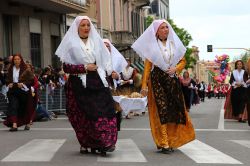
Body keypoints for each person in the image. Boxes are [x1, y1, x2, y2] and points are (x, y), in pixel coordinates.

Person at [55, 16, 117, 156]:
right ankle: (90, 143)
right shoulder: (71, 44)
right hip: (80, 84)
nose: (86, 28)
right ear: (77, 27)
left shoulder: (96, 42)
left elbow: (105, 61)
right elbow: (66, 67)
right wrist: (84, 67)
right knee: (86, 115)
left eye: (88, 25)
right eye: (83, 25)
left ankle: (106, 142)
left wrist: (109, 74)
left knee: (105, 111)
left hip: (97, 81)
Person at [131, 19, 195, 154]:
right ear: (156, 31)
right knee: (162, 110)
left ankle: (171, 140)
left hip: (172, 80)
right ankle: (163, 142)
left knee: (174, 110)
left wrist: (176, 69)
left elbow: (183, 61)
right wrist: (144, 85)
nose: (166, 29)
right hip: (157, 81)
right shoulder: (152, 47)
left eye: (167, 27)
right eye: (162, 28)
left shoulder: (174, 44)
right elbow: (148, 68)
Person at [4, 53, 34, 131]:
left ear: (21, 60)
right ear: (13, 60)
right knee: (13, 106)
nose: (16, 61)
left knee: (23, 107)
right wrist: (8, 84)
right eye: (15, 59)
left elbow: (31, 80)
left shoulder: (26, 69)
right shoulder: (10, 69)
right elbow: (7, 79)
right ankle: (14, 124)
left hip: (22, 91)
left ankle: (27, 122)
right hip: (13, 90)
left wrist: (23, 84)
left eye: (18, 59)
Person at [103, 39, 127, 131]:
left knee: (116, 110)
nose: (106, 48)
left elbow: (120, 78)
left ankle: (114, 129)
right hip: (101, 88)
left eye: (108, 46)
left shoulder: (115, 59)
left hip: (113, 89)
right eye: (104, 46)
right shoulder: (96, 59)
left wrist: (117, 77)